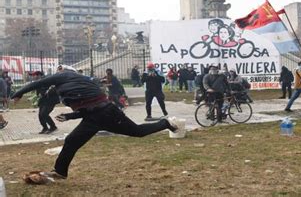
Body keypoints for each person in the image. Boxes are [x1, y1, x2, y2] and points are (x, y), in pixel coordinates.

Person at [11, 69, 178, 180]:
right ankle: (60, 172)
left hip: (106, 113)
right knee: (71, 141)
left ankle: (164, 123)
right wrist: (69, 116)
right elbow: (87, 107)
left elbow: (39, 83)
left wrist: (18, 93)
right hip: (94, 117)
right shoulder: (79, 84)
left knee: (138, 131)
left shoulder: (65, 76)